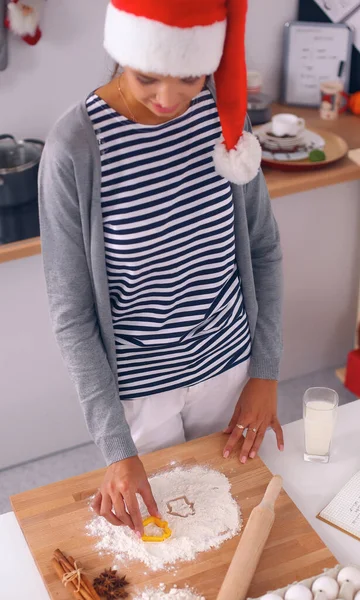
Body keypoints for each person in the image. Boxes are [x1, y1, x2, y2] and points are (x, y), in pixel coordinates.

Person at [39, 0, 284, 539]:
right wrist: (115, 447)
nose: (169, 100)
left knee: (240, 526)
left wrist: (264, 371)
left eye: (191, 78)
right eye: (148, 77)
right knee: (168, 544)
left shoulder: (225, 113)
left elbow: (263, 249)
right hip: (142, 396)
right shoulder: (75, 149)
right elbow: (73, 315)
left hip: (230, 367)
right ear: (122, 50)